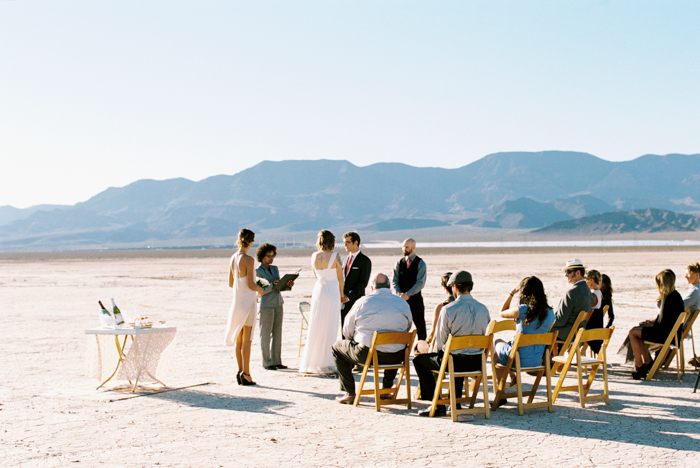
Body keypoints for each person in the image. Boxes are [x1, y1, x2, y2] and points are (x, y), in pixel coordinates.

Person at [413, 271, 490, 417]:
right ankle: (456, 402)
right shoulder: (483, 308)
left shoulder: (448, 309)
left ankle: (436, 403)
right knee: (459, 355)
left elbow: (441, 343)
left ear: (454, 287)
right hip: (477, 362)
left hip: (455, 361)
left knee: (419, 361)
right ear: (471, 286)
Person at [331, 273, 413, 404]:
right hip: (397, 356)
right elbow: (408, 327)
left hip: (368, 355)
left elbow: (347, 330)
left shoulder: (362, 301)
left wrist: (353, 340)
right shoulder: (402, 302)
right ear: (389, 287)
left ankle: (350, 392)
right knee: (394, 344)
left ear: (372, 288)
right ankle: (386, 390)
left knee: (337, 348)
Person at [493, 276, 556, 388]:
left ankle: (501, 390)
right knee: (509, 345)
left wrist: (512, 293)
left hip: (517, 360)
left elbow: (501, 312)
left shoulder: (522, 310)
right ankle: (512, 377)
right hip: (536, 361)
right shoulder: (550, 314)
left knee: (497, 344)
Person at [299, 230, 344, 374]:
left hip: (319, 290)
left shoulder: (314, 256)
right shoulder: (336, 256)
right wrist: (342, 294)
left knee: (316, 324)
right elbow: (340, 278)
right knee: (329, 326)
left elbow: (316, 275)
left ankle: (313, 361)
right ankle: (327, 361)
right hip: (332, 290)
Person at [627, 269, 685, 379]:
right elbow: (665, 320)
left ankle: (639, 365)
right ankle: (647, 361)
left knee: (633, 332)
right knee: (638, 331)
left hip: (665, 335)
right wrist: (650, 323)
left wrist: (651, 324)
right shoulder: (675, 296)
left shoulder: (669, 299)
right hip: (672, 335)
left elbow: (663, 324)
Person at [224, 228, 263, 386]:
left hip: (237, 302)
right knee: (247, 339)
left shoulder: (233, 258)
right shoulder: (248, 259)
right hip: (247, 302)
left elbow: (231, 283)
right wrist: (260, 289)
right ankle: (246, 373)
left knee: (239, 339)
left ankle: (240, 370)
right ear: (251, 241)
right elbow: (251, 284)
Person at [256, 243, 294, 371]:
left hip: (278, 303)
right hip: (266, 305)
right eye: (268, 256)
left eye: (273, 256)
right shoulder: (258, 271)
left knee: (277, 334)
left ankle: (277, 361)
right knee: (265, 334)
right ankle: (267, 362)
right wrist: (272, 284)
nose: (271, 258)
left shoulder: (275, 269)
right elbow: (260, 291)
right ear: (262, 256)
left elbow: (279, 288)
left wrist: (287, 285)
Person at [392, 238, 427, 340]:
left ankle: (422, 350)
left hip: (415, 300)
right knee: (400, 325)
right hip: (401, 300)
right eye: (403, 247)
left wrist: (408, 294)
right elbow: (395, 281)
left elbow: (420, 283)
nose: (404, 249)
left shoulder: (420, 263)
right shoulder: (399, 263)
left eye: (407, 247)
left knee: (420, 326)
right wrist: (400, 294)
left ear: (414, 247)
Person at [552, 259, 594, 343]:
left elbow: (561, 321)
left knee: (540, 331)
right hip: (579, 335)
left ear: (578, 273)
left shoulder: (571, 292)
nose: (566, 275)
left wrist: (547, 323)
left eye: (568, 272)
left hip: (566, 336)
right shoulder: (588, 291)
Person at [414, 272, 454, 355]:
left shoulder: (441, 307)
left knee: (418, 346)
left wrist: (427, 341)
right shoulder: (469, 307)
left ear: (444, 286)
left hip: (444, 351)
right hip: (463, 349)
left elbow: (433, 333)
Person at [340, 231, 372, 327]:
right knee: (344, 329)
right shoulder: (343, 260)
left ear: (356, 242)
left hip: (356, 301)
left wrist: (349, 296)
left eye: (348, 242)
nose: (345, 245)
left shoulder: (365, 261)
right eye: (344, 243)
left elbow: (363, 283)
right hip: (342, 303)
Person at [586, 271, 614, 354]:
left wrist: (606, 329)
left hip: (595, 323)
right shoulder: (599, 294)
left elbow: (611, 315)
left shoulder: (603, 296)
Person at [682, 263, 700, 367]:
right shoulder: (697, 290)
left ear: (697, 275)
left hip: (680, 328)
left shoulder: (695, 292)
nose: (686, 277)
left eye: (689, 274)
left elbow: (679, 307)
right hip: (685, 327)